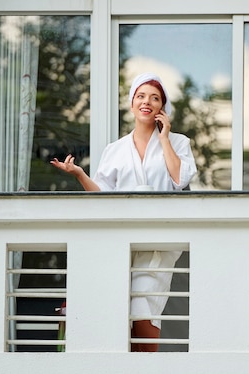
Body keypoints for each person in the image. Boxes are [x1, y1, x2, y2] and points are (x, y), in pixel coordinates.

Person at [51, 72, 197, 352]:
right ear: (132, 104)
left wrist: (164, 137)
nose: (147, 102)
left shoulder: (178, 143)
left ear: (162, 108)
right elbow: (103, 199)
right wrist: (80, 174)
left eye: (155, 98)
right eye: (141, 96)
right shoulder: (115, 150)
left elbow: (179, 180)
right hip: (120, 243)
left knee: (143, 309)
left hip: (158, 243)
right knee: (114, 310)